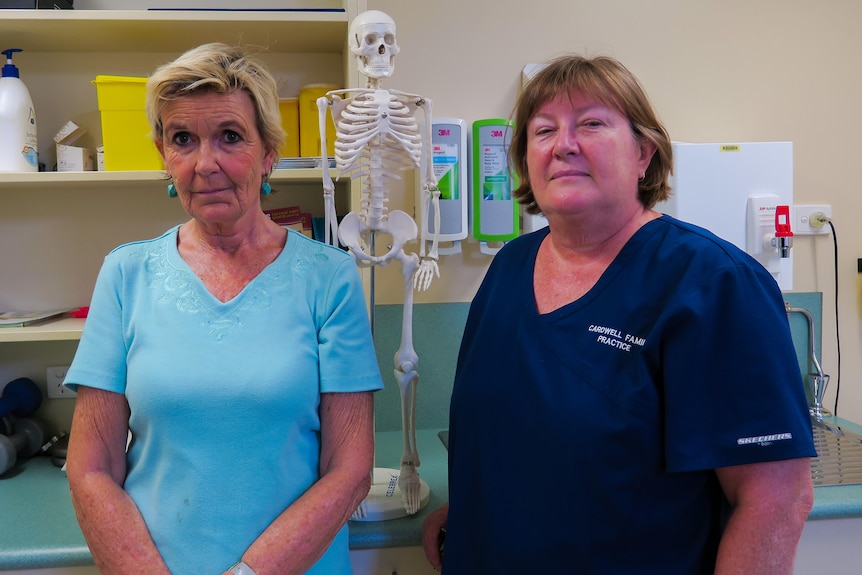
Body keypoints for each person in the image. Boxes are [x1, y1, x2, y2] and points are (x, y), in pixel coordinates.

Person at [422, 55, 815, 574]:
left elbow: (775, 501)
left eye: (591, 123)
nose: (564, 145)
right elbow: (519, 440)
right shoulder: (510, 268)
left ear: (644, 154)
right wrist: (472, 514)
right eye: (543, 131)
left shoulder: (713, 283)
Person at [64, 43, 384, 575]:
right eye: (182, 139)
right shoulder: (126, 275)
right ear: (164, 156)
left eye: (230, 137)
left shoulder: (329, 279)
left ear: (268, 154)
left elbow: (349, 470)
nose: (204, 163)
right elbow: (90, 467)